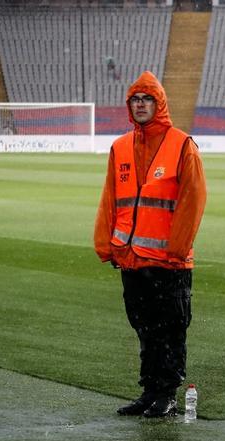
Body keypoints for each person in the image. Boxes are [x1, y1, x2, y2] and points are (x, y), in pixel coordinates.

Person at [94, 72, 207, 418]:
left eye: (147, 100)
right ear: (129, 106)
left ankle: (166, 393)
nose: (140, 105)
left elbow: (194, 199)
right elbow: (110, 200)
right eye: (135, 100)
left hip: (169, 262)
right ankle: (149, 392)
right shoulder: (120, 147)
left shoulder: (182, 144)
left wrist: (176, 249)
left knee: (170, 330)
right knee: (144, 329)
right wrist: (107, 245)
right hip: (131, 259)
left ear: (159, 105)